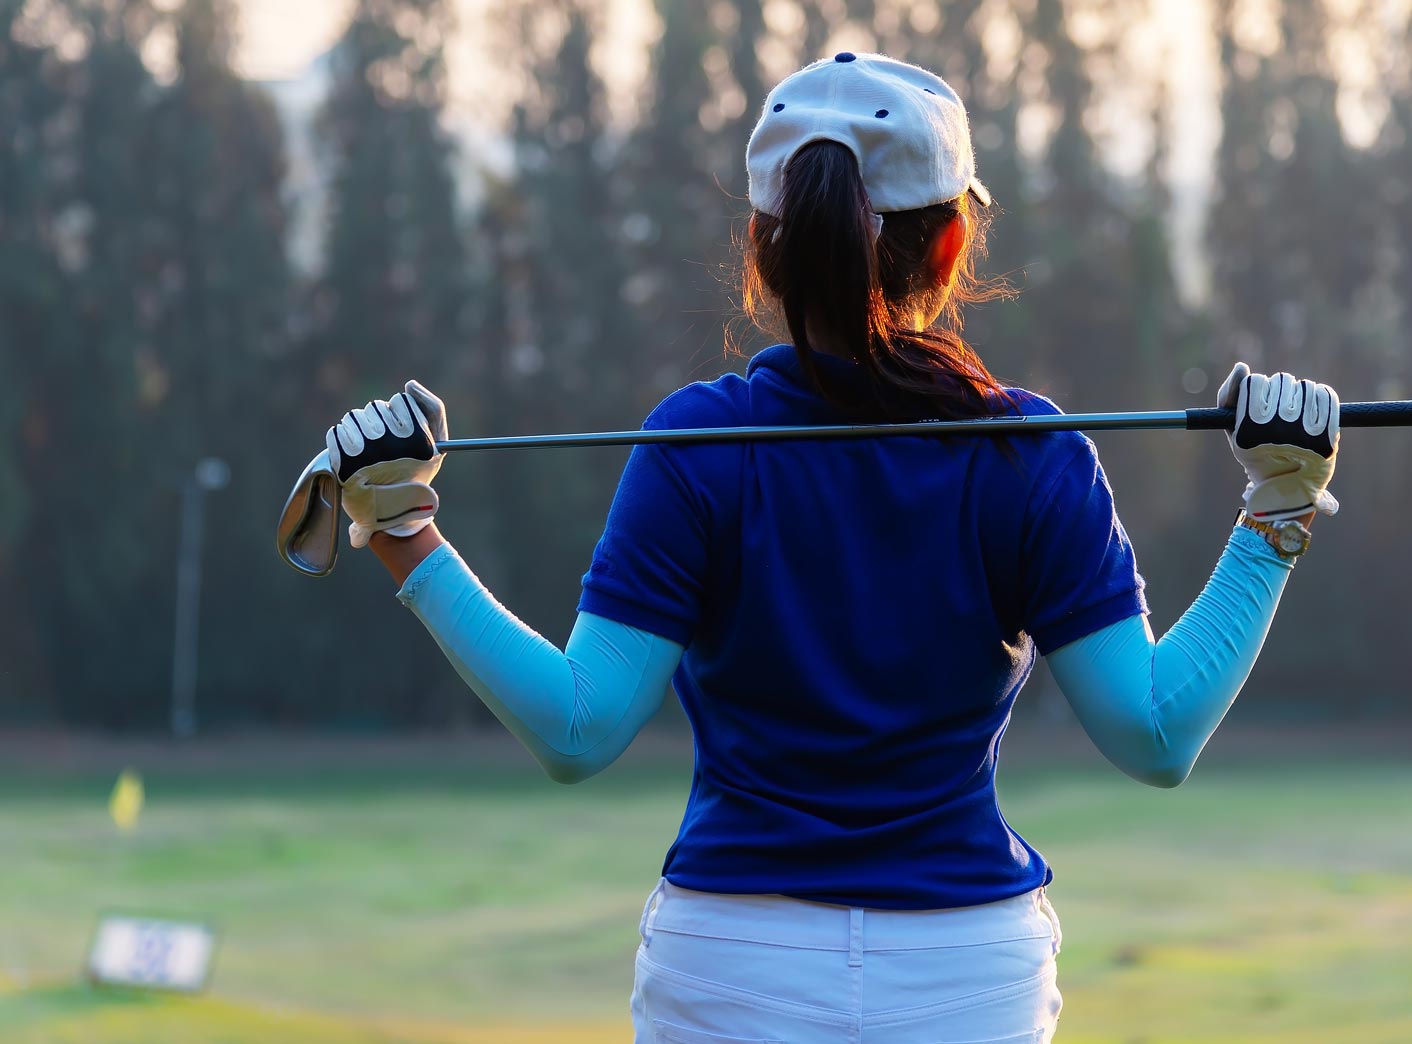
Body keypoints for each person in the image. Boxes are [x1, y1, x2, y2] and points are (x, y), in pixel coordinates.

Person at [322, 52, 1341, 1044]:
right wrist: (1274, 513)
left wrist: (406, 534)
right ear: (948, 251)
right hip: (960, 978)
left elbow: (577, 727)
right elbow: (1152, 734)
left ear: (764, 247)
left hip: (731, 966)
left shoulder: (696, 443)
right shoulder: (1027, 453)